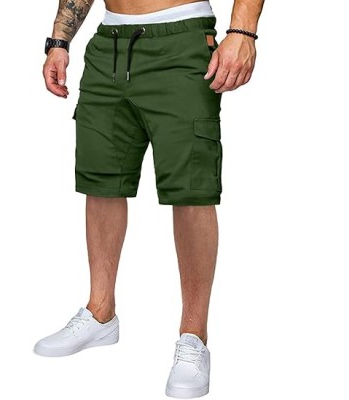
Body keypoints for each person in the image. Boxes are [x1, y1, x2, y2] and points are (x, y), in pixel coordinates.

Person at [34, 0, 264, 398]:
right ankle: (100, 313)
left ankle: (193, 336)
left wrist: (243, 30)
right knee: (101, 179)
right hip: (109, 44)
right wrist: (59, 40)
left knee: (191, 187)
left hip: (181, 41)